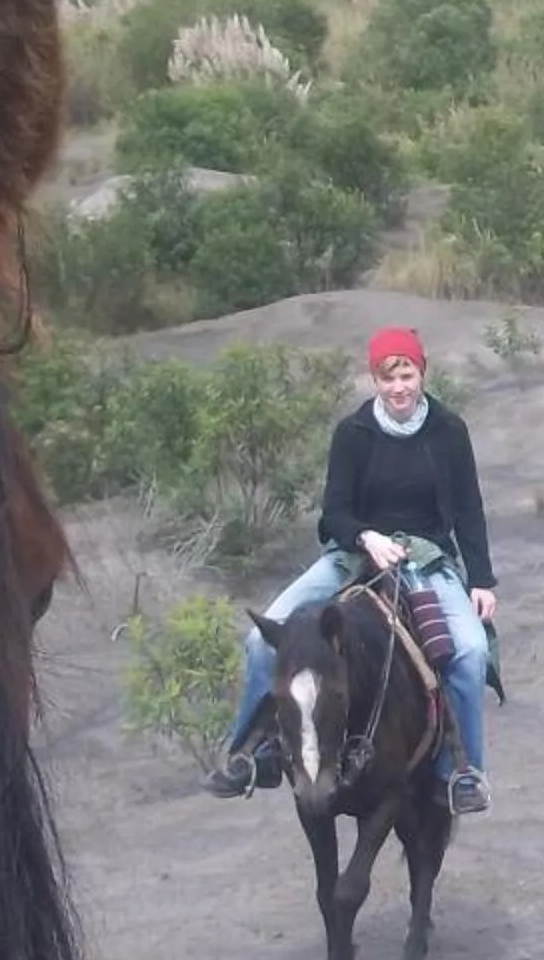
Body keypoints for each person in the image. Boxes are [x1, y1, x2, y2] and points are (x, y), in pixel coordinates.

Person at [208, 326, 500, 815]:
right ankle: (254, 754)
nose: (399, 387)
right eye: (388, 378)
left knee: (469, 652)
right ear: (375, 381)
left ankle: (462, 773)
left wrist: (482, 579)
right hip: (354, 554)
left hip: (426, 558)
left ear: (421, 372)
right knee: (262, 638)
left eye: (406, 374)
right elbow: (334, 513)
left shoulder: (449, 431)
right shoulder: (354, 433)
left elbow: (469, 509)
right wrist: (367, 536)